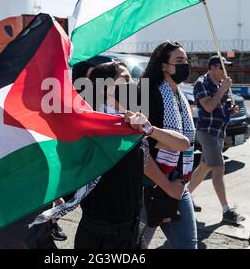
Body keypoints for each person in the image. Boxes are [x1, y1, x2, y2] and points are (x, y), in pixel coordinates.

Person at [74, 61, 190, 249]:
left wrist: (150, 130)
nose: (133, 84)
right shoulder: (87, 127)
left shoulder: (135, 125)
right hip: (98, 235)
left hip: (132, 232)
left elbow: (182, 144)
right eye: (126, 79)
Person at [139, 41, 198, 249]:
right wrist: (167, 186)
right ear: (164, 66)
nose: (185, 65)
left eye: (186, 60)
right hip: (150, 185)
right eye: (179, 60)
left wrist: (177, 185)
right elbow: (140, 149)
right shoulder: (150, 94)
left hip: (179, 184)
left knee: (188, 246)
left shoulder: (180, 96)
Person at [188, 55, 245, 224]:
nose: (225, 71)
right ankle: (226, 211)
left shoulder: (220, 83)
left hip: (219, 131)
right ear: (212, 68)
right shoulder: (201, 83)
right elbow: (208, 106)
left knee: (205, 166)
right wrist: (222, 90)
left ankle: (183, 197)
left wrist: (230, 109)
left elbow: (220, 107)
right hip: (207, 132)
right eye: (222, 67)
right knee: (219, 168)